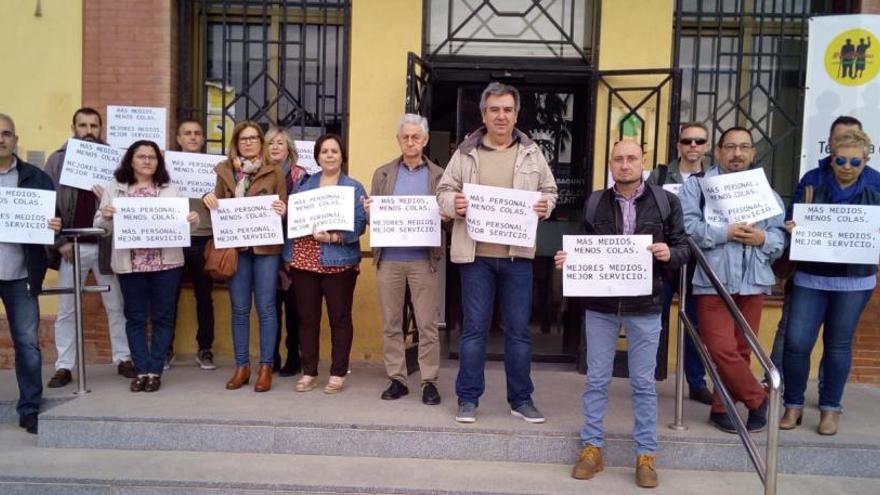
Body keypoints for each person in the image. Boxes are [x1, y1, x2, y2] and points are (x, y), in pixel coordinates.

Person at [555, 139, 689, 489]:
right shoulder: (596, 201)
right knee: (597, 379)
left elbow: (685, 247)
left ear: (643, 162)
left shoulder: (666, 202)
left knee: (643, 384)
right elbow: (585, 246)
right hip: (601, 306)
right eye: (618, 159)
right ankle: (591, 448)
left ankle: (646, 455)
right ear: (610, 163)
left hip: (645, 305)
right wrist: (570, 261)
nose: (625, 164)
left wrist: (668, 253)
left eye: (632, 159)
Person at [436, 81, 558, 424]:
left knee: (518, 331)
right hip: (475, 257)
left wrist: (544, 205)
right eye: (494, 109)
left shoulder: (533, 153)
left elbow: (550, 192)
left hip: (517, 257)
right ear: (483, 114)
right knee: (474, 329)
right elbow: (443, 191)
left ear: (516, 114)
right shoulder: (465, 153)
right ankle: (468, 398)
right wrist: (454, 204)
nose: (501, 115)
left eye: (507, 109)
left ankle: (521, 399)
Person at [679, 127, 786, 434]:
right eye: (730, 147)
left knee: (741, 350)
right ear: (719, 151)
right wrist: (724, 233)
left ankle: (721, 407)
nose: (737, 154)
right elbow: (687, 229)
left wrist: (762, 237)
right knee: (720, 348)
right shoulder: (697, 188)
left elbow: (780, 239)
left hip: (753, 280)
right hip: (712, 279)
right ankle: (758, 399)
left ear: (752, 152)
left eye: (744, 148)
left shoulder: (765, 192)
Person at [780, 128, 880, 435]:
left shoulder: (876, 184)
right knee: (796, 343)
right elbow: (791, 215)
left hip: (854, 280)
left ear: (866, 160)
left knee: (837, 346)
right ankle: (793, 405)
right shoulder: (812, 179)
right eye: (840, 160)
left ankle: (830, 409)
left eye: (855, 162)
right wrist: (792, 227)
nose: (847, 167)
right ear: (831, 156)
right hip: (811, 275)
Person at [95, 140, 200, 392]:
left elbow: (183, 226)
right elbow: (101, 227)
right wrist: (106, 217)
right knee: (135, 318)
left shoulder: (170, 188)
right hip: (130, 264)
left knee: (163, 317)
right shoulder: (115, 189)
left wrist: (192, 221)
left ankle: (155, 369)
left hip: (167, 264)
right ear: (130, 160)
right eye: (141, 156)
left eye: (152, 157)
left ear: (158, 162)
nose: (147, 161)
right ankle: (140, 370)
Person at [43, 107, 134, 388]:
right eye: (82, 125)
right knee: (68, 308)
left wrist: (106, 194)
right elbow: (46, 204)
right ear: (73, 128)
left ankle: (123, 358)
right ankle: (64, 366)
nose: (88, 131)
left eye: (94, 125)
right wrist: (59, 243)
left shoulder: (116, 161)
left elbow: (128, 199)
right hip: (72, 244)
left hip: (107, 244)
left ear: (101, 128)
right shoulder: (57, 160)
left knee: (116, 305)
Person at [365, 114, 445, 405]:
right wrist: (370, 212)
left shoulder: (439, 175)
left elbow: (447, 219)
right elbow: (375, 220)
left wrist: (446, 215)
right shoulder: (383, 174)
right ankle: (397, 378)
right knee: (392, 322)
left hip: (424, 261)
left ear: (424, 140)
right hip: (390, 259)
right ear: (398, 140)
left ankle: (429, 381)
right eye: (405, 137)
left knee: (427, 324)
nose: (410, 142)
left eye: (416, 137)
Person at [203, 121, 287, 392]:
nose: (249, 143)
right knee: (239, 309)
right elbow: (214, 206)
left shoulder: (274, 171)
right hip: (236, 249)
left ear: (261, 143)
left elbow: (283, 208)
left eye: (253, 138)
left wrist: (281, 209)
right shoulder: (225, 171)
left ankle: (265, 367)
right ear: (236, 143)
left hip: (265, 249)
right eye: (243, 139)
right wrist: (209, 199)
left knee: (266, 307)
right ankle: (242, 367)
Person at [283, 134, 366, 394]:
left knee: (339, 319)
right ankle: (309, 371)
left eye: (335, 151)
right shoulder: (304, 185)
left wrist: (333, 237)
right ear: (317, 156)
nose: (329, 155)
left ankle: (338, 372)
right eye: (325, 151)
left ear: (342, 156)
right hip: (304, 260)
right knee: (307, 318)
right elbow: (294, 217)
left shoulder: (353, 187)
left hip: (339, 262)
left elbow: (360, 225)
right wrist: (285, 213)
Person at [0, 113, 62, 433]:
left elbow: (55, 219)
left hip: (22, 273)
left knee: (27, 343)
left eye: (6, 133)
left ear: (16, 139)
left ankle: (29, 408)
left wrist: (55, 225)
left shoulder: (35, 177)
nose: (1, 139)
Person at [645, 121, 712, 404]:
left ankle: (696, 383)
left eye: (698, 141)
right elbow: (642, 208)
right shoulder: (660, 176)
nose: (693, 146)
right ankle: (646, 379)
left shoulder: (714, 180)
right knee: (651, 323)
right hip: (661, 261)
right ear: (678, 145)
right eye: (687, 141)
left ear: (707, 146)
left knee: (696, 326)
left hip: (699, 261)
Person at [170, 119, 217, 371]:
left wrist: (215, 199)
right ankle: (165, 348)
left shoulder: (213, 168)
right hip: (174, 237)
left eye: (197, 133)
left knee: (204, 296)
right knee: (169, 296)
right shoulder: (167, 167)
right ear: (178, 138)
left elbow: (225, 199)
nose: (192, 137)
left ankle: (205, 349)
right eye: (187, 133)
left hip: (204, 236)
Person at [265, 126, 307, 377]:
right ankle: (271, 356)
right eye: (271, 143)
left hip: (293, 249)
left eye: (280, 143)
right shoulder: (256, 174)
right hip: (265, 248)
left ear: (289, 148)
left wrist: (288, 209)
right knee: (269, 305)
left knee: (294, 307)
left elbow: (307, 209)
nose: (275, 147)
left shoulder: (301, 176)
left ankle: (294, 354)